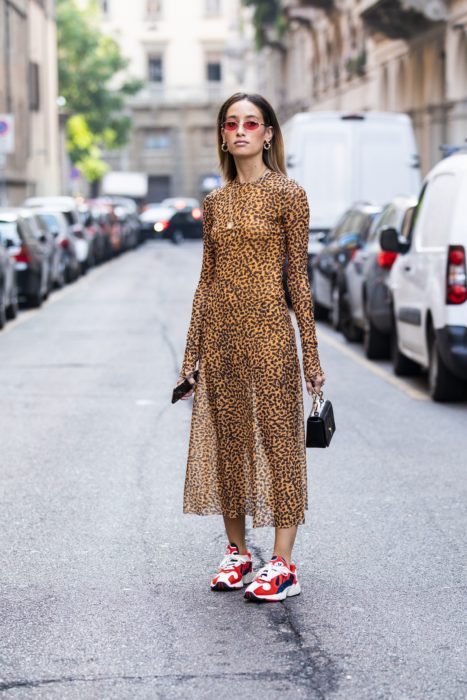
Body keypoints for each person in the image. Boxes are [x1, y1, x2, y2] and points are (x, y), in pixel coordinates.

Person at [176, 92, 325, 603]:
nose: (240, 130)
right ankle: (238, 553)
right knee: (230, 447)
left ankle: (283, 564)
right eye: (231, 123)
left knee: (282, 443)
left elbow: (298, 282)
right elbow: (205, 281)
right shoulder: (214, 203)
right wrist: (190, 354)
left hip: (270, 335)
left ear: (268, 133)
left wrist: (312, 356)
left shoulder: (289, 194)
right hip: (220, 338)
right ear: (222, 135)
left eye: (251, 123)